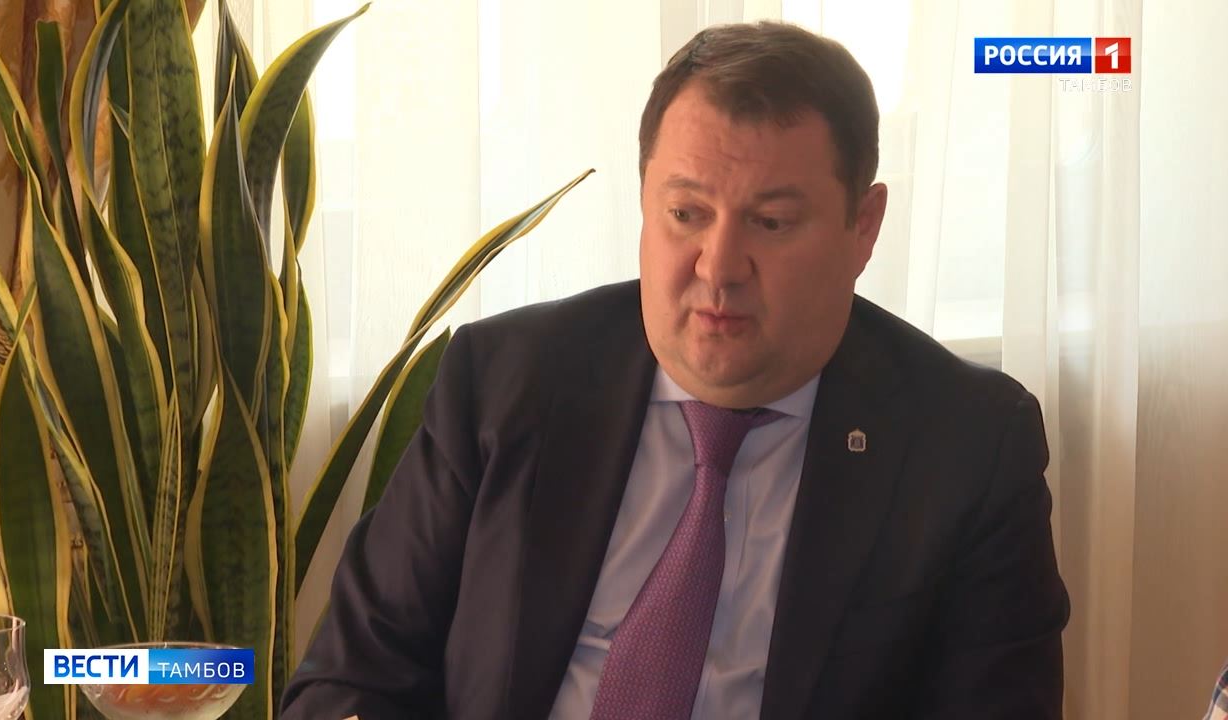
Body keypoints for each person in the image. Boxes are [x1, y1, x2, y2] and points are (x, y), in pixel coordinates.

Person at [281, 20, 1070, 720]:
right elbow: (351, 678)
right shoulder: (504, 381)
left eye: (771, 222)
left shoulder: (966, 446)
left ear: (862, 228)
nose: (718, 267)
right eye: (686, 213)